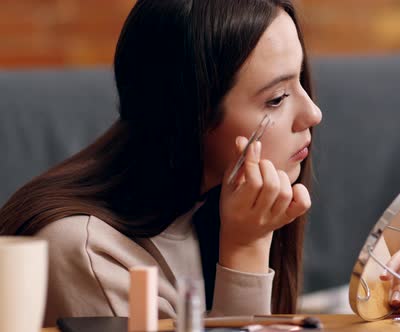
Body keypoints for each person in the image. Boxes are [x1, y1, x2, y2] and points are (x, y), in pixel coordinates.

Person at [0, 0, 321, 326]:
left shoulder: (216, 205)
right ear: (189, 118)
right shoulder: (86, 253)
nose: (313, 114)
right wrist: (246, 250)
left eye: (300, 80)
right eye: (277, 98)